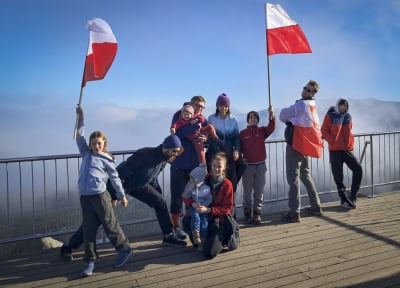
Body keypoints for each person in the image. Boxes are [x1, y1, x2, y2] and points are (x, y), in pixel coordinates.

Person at [60, 135, 187, 263]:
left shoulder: (164, 159)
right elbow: (118, 174)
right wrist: (116, 195)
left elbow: (152, 177)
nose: (176, 153)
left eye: (177, 150)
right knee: (95, 220)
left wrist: (156, 193)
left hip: (139, 186)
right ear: (165, 148)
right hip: (120, 186)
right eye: (174, 151)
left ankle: (168, 236)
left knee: (160, 202)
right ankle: (68, 247)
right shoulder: (145, 155)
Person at [73, 105, 132, 277]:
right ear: (90, 145)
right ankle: (90, 260)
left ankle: (124, 249)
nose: (96, 145)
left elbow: (115, 178)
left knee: (109, 224)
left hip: (100, 196)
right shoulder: (86, 153)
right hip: (85, 197)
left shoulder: (106, 159)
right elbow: (78, 135)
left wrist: (121, 196)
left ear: (104, 144)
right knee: (88, 228)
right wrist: (81, 118)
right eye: (93, 143)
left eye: (99, 143)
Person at [279, 80, 324, 223]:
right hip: (306, 146)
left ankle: (294, 212)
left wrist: (291, 120)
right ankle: (316, 206)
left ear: (313, 93)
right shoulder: (313, 106)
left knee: (293, 178)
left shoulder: (301, 105)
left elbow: (282, 115)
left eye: (309, 90)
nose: (305, 91)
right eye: (305, 88)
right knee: (305, 175)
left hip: (296, 145)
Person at [170, 95, 207, 240]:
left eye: (202, 107)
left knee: (192, 195)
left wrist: (205, 138)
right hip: (179, 163)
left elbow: (206, 134)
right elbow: (178, 135)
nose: (199, 108)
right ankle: (175, 227)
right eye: (197, 105)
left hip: (195, 165)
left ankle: (187, 224)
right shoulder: (179, 115)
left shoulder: (202, 118)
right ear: (191, 103)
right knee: (177, 195)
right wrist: (195, 127)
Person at [186, 152, 236, 259]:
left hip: (218, 221)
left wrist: (208, 210)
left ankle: (224, 238)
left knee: (209, 253)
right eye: (214, 166)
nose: (216, 169)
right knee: (187, 220)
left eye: (219, 166)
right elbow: (186, 196)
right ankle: (202, 240)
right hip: (204, 217)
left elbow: (227, 209)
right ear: (210, 166)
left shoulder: (227, 184)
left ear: (224, 168)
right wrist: (193, 204)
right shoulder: (204, 179)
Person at [207, 93, 246, 216]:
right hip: (216, 154)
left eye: (226, 106)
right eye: (221, 105)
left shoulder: (233, 120)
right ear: (217, 106)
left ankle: (231, 216)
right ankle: (216, 215)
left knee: (232, 185)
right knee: (216, 184)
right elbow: (211, 137)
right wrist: (219, 150)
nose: (223, 108)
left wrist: (237, 150)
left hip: (229, 154)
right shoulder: (211, 119)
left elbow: (236, 137)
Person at [321, 98, 362, 208]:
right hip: (335, 151)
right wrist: (332, 140)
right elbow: (323, 131)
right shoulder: (330, 116)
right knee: (339, 177)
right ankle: (344, 200)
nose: (343, 107)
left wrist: (350, 142)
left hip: (346, 150)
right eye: (341, 105)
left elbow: (349, 130)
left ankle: (352, 197)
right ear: (337, 105)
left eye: (345, 105)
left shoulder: (348, 117)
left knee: (358, 169)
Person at [239, 107, 276, 224]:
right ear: (247, 120)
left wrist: (272, 116)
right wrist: (240, 158)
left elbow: (272, 127)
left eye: (255, 117)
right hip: (248, 167)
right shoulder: (242, 133)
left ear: (258, 120)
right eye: (251, 117)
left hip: (260, 166)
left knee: (259, 191)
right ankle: (247, 213)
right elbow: (238, 147)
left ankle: (256, 214)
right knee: (247, 192)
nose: (253, 119)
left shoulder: (262, 131)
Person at [182, 165, 212, 250]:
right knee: (195, 217)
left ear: (198, 179)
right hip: (192, 208)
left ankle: (203, 240)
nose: (191, 181)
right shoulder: (190, 186)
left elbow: (209, 199)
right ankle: (196, 234)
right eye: (191, 178)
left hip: (203, 208)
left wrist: (204, 206)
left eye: (193, 179)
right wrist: (190, 189)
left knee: (204, 221)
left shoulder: (205, 188)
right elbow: (185, 196)